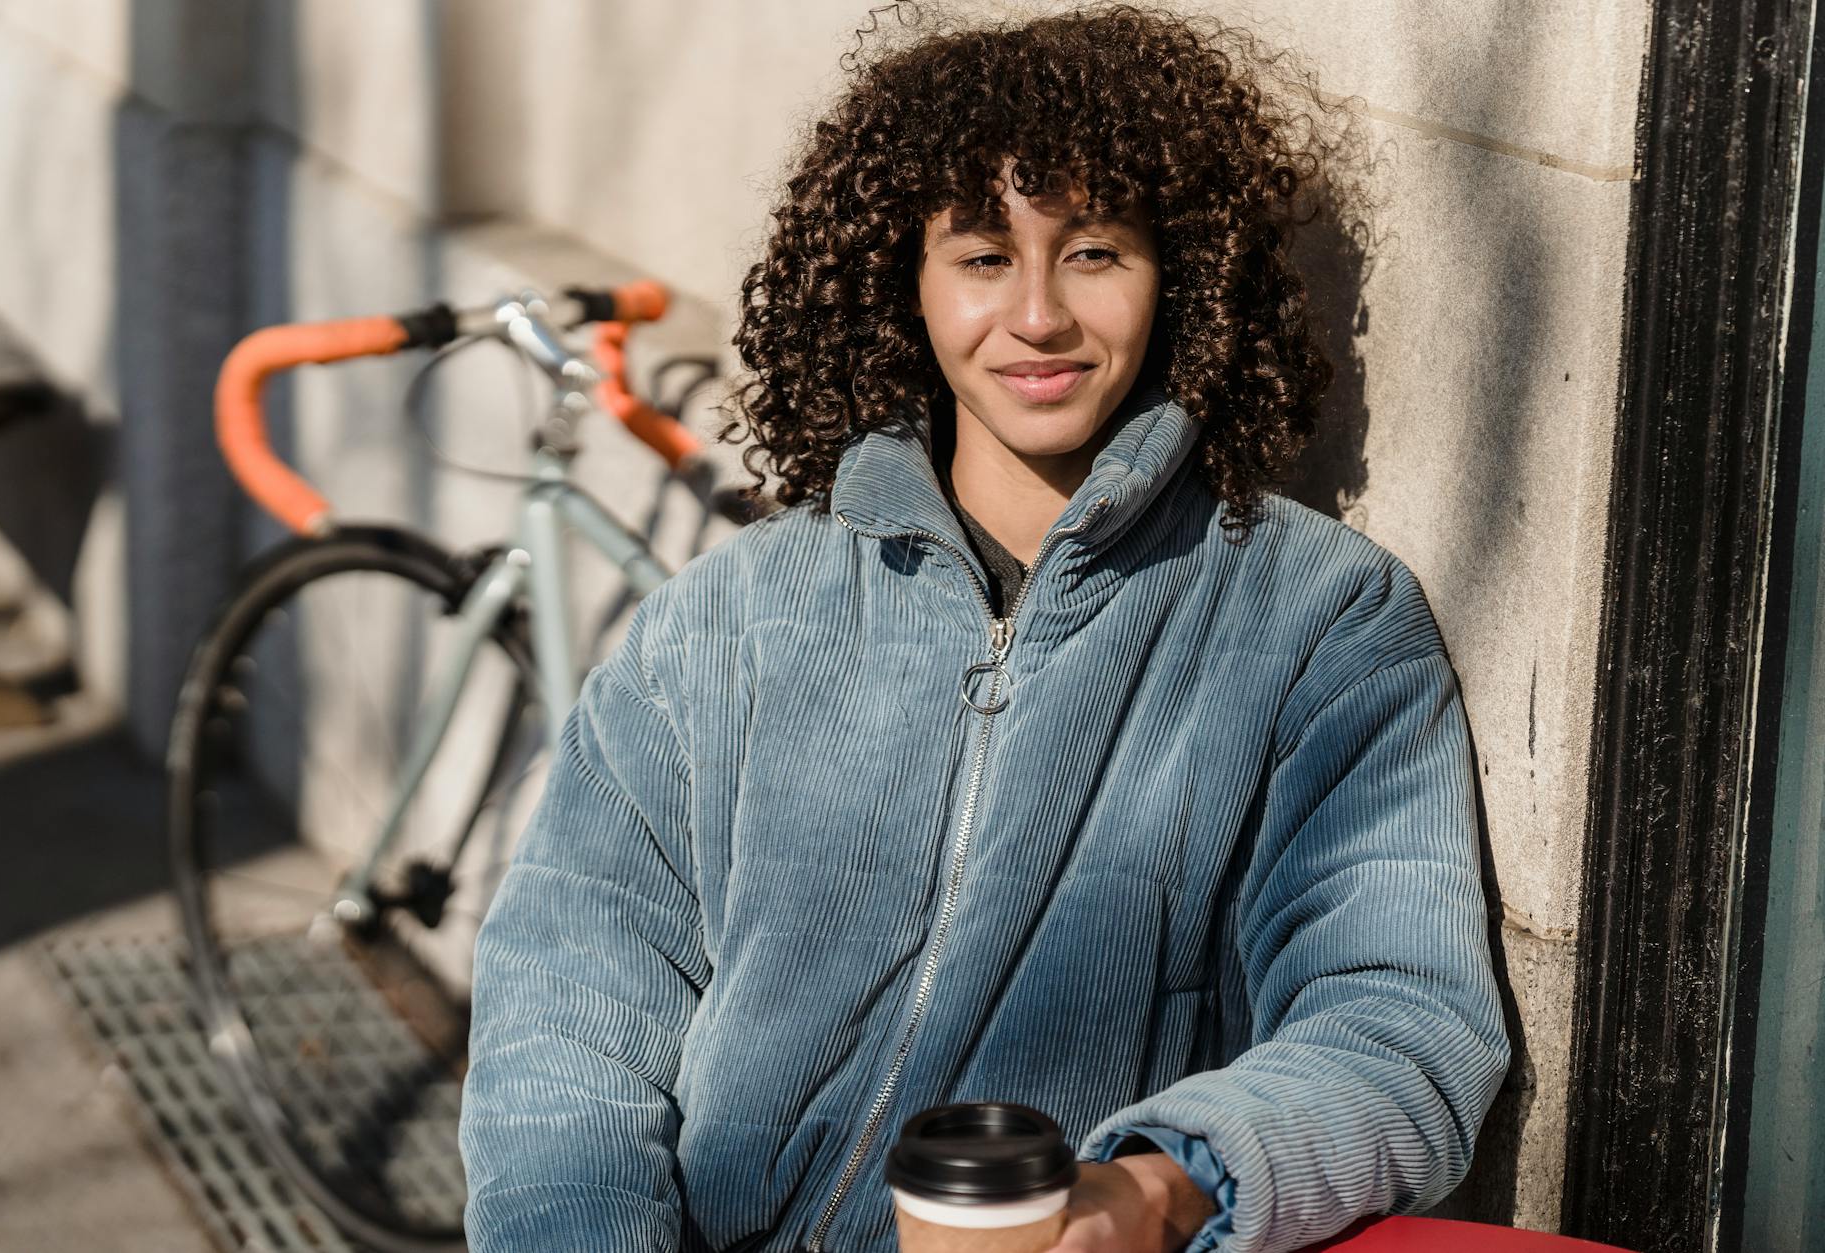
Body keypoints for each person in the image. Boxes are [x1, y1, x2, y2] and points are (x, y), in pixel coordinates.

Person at [458, 4, 1510, 1251]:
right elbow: (563, 1014)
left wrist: (1157, 1185)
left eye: (1093, 252)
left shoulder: (1320, 622)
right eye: (979, 256)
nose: (1037, 317)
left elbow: (1398, 1020)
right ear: (901, 283)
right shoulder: (724, 619)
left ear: (1177, 274)